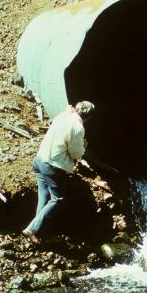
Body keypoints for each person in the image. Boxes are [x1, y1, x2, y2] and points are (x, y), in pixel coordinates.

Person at [22, 100, 95, 243]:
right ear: (89, 117)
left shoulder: (63, 116)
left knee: (44, 196)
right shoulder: (78, 127)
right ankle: (32, 229)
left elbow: (67, 113)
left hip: (39, 159)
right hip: (53, 166)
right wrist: (84, 146)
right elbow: (75, 153)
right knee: (58, 199)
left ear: (77, 109)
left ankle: (39, 232)